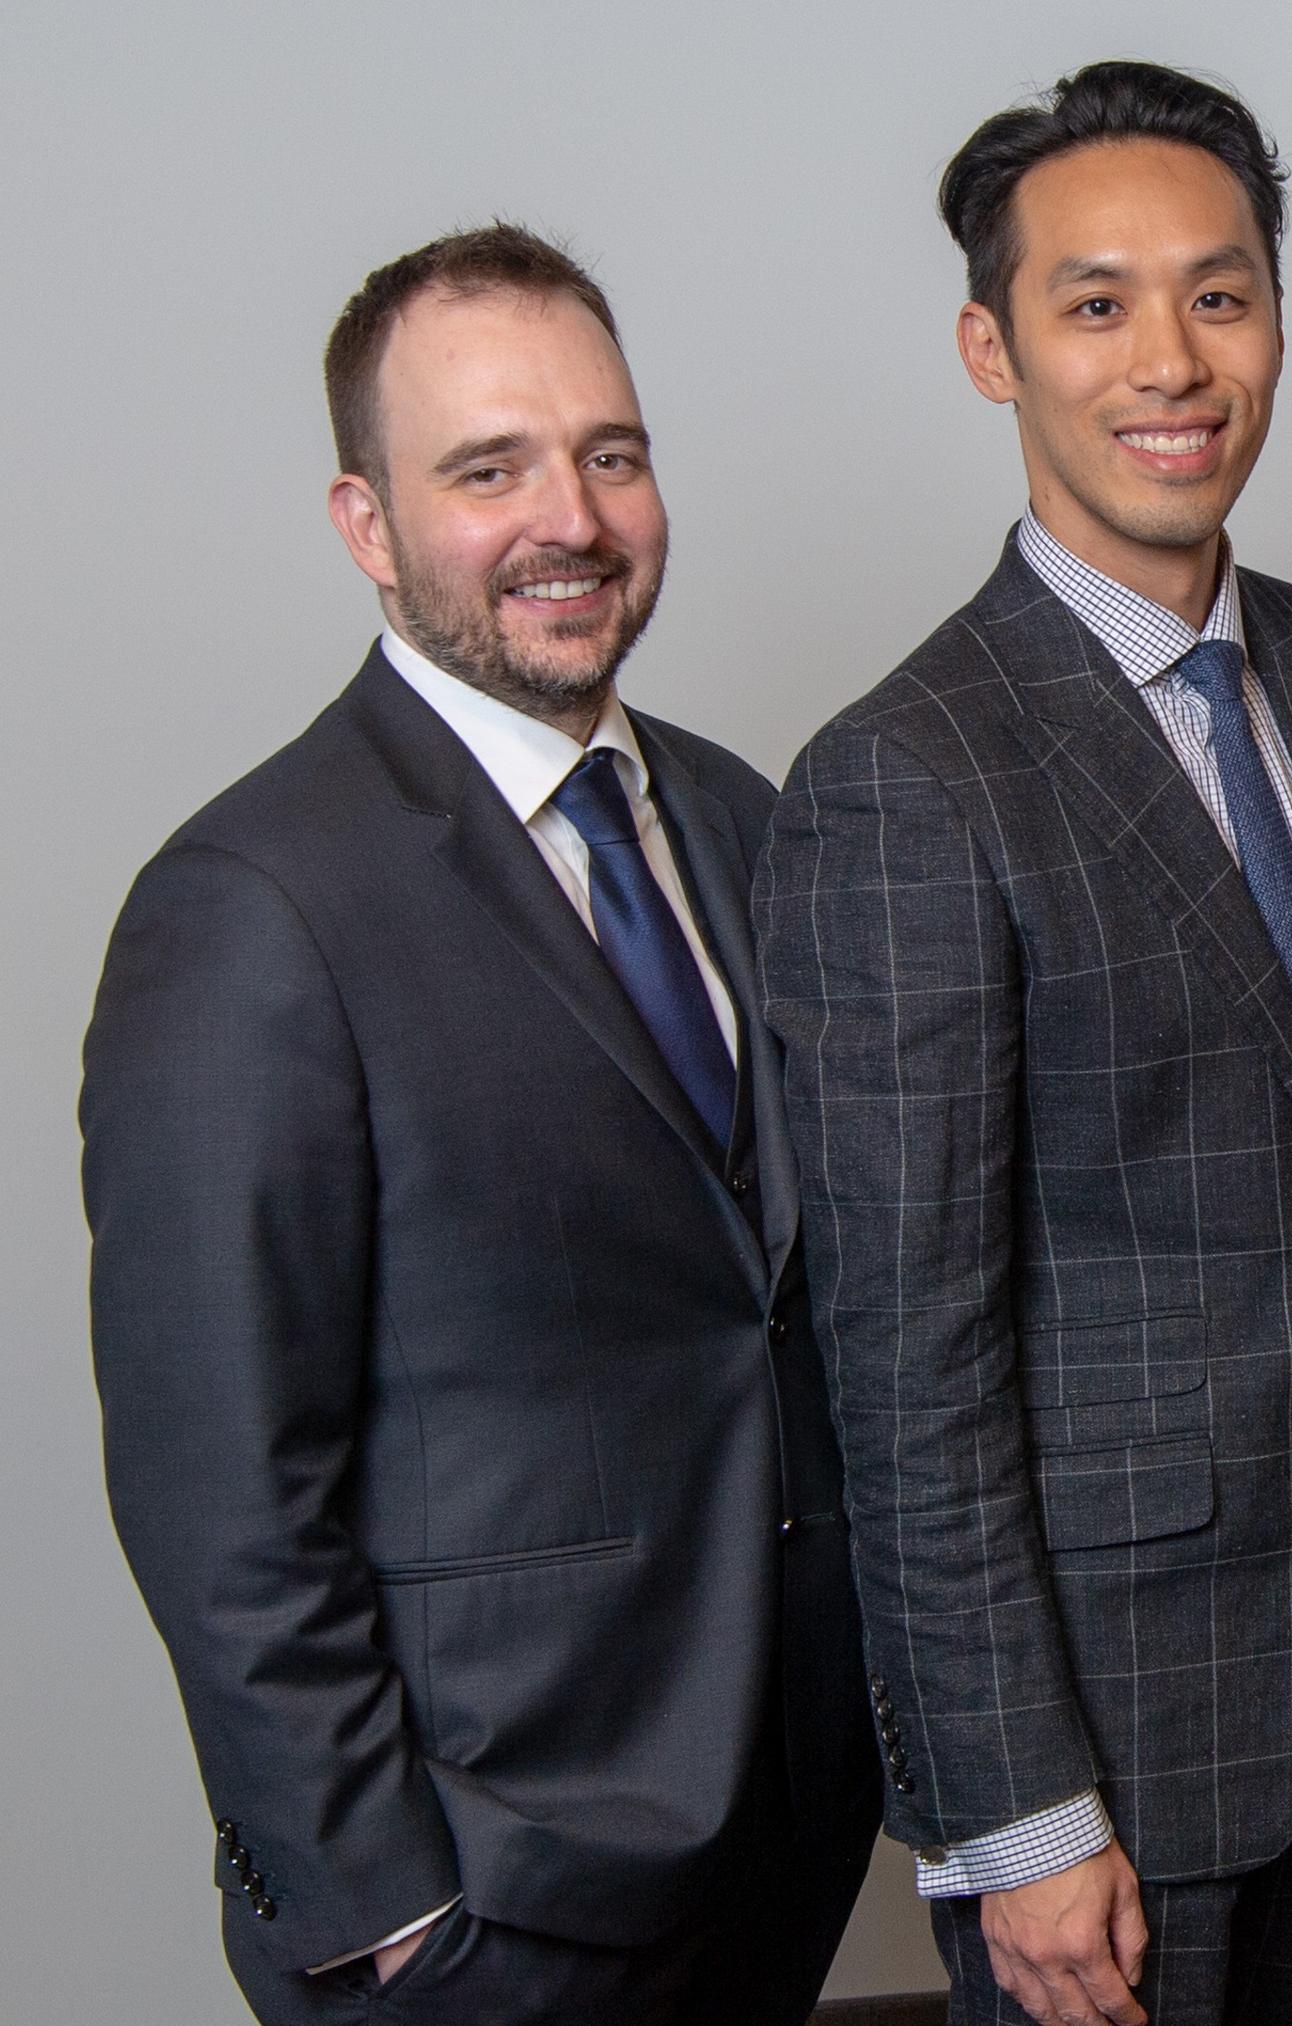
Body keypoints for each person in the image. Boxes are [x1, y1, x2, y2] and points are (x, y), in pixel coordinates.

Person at [80, 223, 879, 2025]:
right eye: (487, 467)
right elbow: (218, 1484)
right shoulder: (254, 904)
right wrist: (375, 1897)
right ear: (365, 523)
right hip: (482, 1891)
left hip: (780, 1826)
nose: (572, 518)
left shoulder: (747, 823)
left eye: (611, 452)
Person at [754, 61, 1292, 2026]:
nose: (1172, 358)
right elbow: (906, 1361)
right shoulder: (904, 775)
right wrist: (1010, 1810)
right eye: (1097, 303)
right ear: (993, 346)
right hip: (1106, 1737)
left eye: (1220, 294)